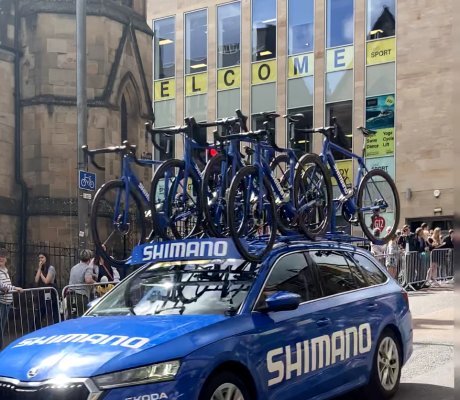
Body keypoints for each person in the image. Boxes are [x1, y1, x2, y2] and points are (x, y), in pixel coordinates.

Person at [0, 248, 23, 348]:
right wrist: (15, 288)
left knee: (2, 326)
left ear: (6, 259)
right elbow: (2, 285)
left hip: (7, 302)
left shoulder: (5, 270)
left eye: (3, 256)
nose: (1, 258)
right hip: (1, 301)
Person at [66, 249, 95, 319]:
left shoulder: (74, 267)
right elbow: (88, 280)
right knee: (82, 318)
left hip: (70, 296)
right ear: (90, 259)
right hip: (81, 296)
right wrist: (95, 283)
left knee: (71, 318)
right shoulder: (88, 268)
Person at [34, 252, 59, 325]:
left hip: (50, 291)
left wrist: (41, 273)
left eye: (42, 257)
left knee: (52, 309)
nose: (40, 259)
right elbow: (36, 280)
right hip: (42, 292)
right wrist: (39, 269)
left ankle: (55, 323)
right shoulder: (39, 269)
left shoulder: (51, 268)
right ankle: (37, 326)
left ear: (46, 258)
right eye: (39, 258)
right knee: (42, 309)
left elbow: (46, 281)